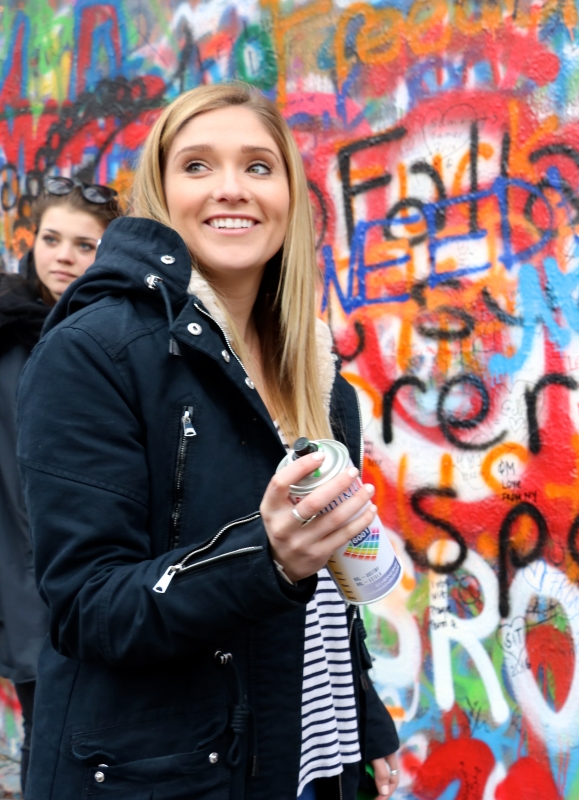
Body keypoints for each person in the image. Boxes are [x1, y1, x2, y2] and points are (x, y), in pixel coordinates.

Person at [16, 83, 401, 800]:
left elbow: (327, 595)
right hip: (170, 776)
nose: (232, 189)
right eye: (197, 165)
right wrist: (268, 555)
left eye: (259, 166)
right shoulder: (95, 351)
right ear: (160, 194)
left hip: (314, 759)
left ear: (290, 193)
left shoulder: (318, 377)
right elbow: (89, 606)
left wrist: (365, 725)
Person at [0, 177, 120, 795]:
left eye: (84, 244)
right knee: (49, 746)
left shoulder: (121, 333)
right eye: (51, 239)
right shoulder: (8, 331)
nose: (63, 256)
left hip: (105, 583)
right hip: (28, 584)